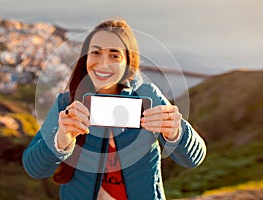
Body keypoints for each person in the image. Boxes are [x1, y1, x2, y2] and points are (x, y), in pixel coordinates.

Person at [22, 18, 206, 200]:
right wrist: (61, 140)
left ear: (128, 62)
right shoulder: (68, 103)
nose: (103, 63)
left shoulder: (147, 96)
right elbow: (34, 168)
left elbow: (193, 159)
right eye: (96, 53)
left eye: (114, 55)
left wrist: (176, 132)